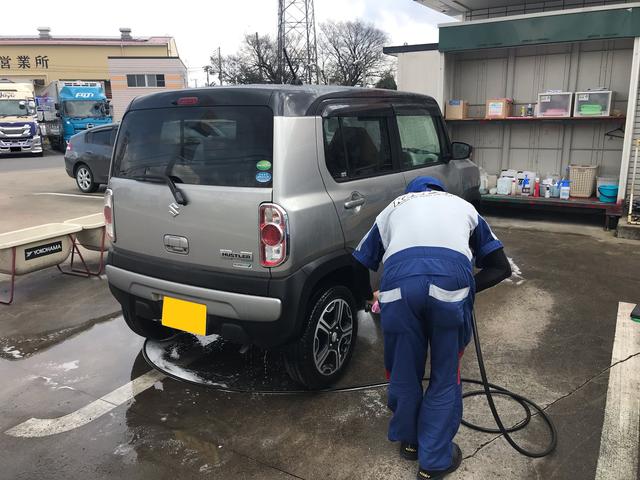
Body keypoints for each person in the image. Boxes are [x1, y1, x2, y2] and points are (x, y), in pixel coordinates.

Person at [353, 176, 511, 480]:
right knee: (444, 374)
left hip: (399, 290)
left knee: (403, 370)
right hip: (450, 287)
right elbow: (500, 267)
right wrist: (466, 289)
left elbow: (359, 262)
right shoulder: (463, 206)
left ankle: (410, 442)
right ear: (440, 192)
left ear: (411, 193)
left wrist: (368, 295)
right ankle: (434, 462)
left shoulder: (393, 208)